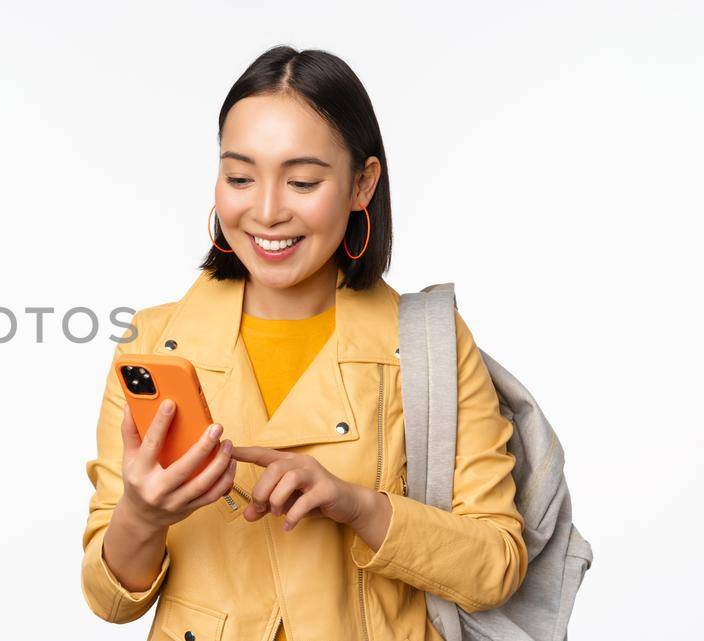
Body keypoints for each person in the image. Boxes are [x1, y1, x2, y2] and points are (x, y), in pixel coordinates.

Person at [80, 46, 527, 641]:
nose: (266, 211)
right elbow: (111, 603)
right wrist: (142, 514)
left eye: (302, 181)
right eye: (239, 177)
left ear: (362, 184)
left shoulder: (426, 342)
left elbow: (497, 566)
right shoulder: (156, 342)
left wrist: (360, 507)